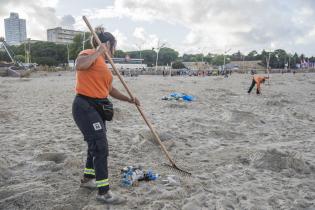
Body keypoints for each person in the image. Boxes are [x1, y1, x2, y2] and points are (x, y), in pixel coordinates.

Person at [72, 28, 140, 204]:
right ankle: (104, 192)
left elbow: (110, 90)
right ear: (108, 44)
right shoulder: (89, 53)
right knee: (100, 147)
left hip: (98, 107)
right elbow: (79, 64)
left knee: (94, 145)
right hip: (84, 105)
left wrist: (129, 99)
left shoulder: (104, 64)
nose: (114, 50)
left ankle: (88, 180)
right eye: (113, 46)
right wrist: (98, 51)